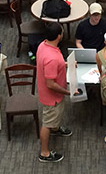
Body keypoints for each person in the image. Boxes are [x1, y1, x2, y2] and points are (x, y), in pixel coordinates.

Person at [37, 23, 73, 163]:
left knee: (53, 118)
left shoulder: (43, 45)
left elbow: (51, 64)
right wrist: (67, 92)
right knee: (47, 123)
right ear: (59, 36)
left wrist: (64, 64)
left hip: (49, 94)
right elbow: (50, 84)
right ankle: (44, 153)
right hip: (52, 97)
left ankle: (56, 128)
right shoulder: (52, 58)